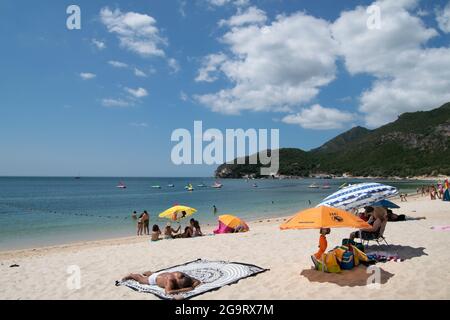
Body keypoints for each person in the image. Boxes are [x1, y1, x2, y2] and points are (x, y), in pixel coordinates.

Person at [121, 271, 201, 295]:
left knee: (157, 275)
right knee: (141, 279)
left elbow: (197, 281)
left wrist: (193, 286)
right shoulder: (171, 281)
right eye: (179, 287)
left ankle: (149, 273)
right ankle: (131, 275)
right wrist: (186, 289)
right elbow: (168, 292)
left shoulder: (185, 277)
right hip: (155, 279)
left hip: (164, 274)